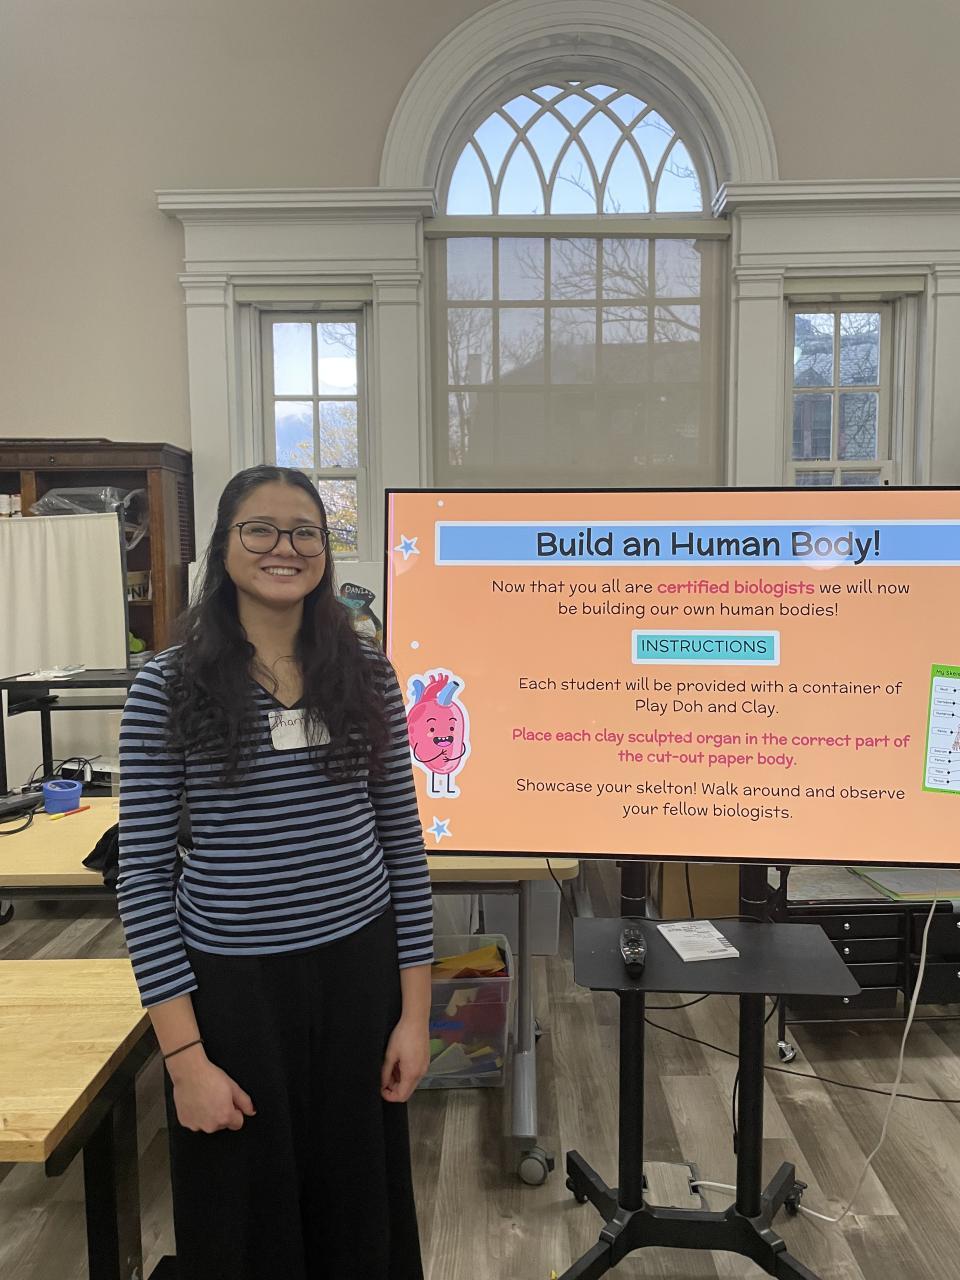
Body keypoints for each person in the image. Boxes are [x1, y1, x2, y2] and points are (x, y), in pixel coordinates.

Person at [116, 465, 433, 1280]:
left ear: (325, 550)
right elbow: (143, 880)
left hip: (358, 979)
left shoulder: (367, 674)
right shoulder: (167, 686)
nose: (283, 547)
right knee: (247, 1226)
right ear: (224, 548)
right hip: (235, 993)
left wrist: (414, 1017)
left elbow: (403, 847)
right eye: (259, 528)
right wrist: (185, 1063)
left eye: (304, 532)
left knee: (358, 1215)